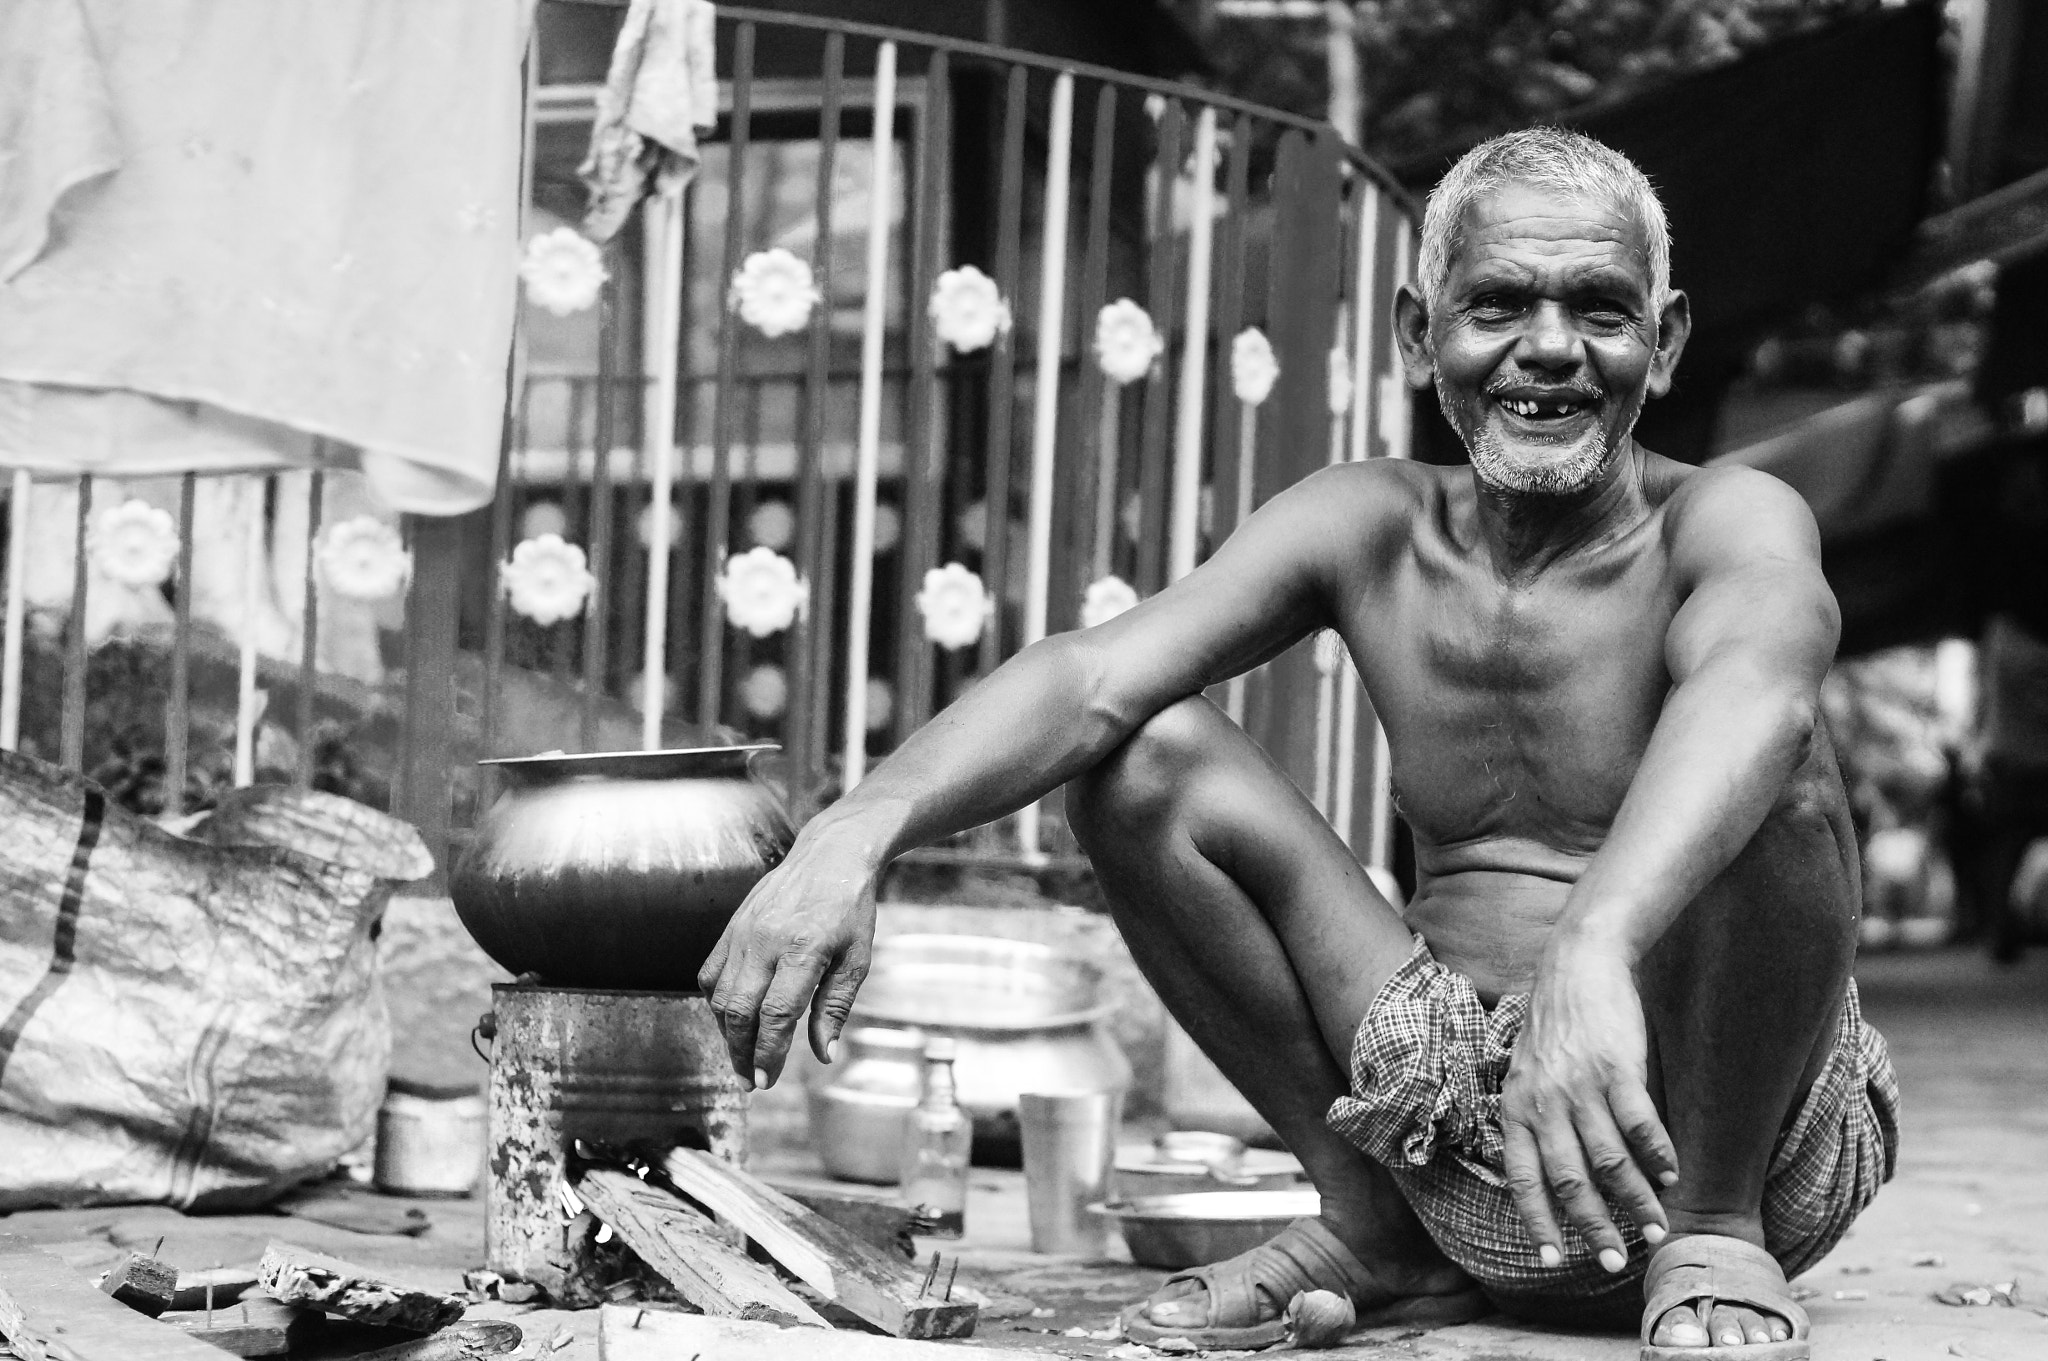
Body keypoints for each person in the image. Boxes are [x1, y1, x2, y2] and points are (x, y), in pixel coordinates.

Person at [698, 128, 1897, 1359]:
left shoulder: (1727, 515)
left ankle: (1712, 1232)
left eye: (1598, 309)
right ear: (1417, 332)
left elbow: (1762, 685)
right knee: (1143, 758)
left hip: (1720, 1135)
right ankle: (1374, 1228)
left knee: (1779, 765)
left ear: (1667, 337)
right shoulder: (1366, 521)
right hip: (1453, 1138)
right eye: (1496, 305)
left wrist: (1594, 945)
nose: (1548, 348)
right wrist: (853, 830)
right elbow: (1095, 676)